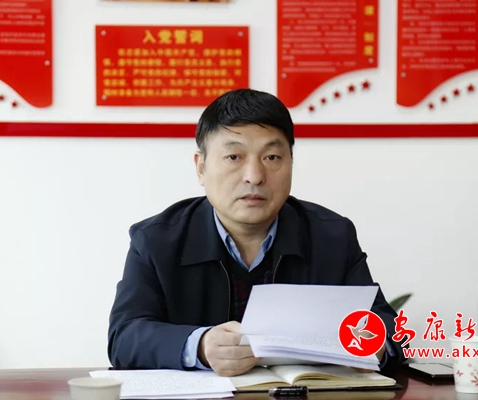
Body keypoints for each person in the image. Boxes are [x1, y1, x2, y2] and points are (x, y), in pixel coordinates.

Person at [107, 88, 407, 377]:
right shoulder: (156, 240)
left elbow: (393, 334)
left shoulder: (332, 236)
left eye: (271, 157)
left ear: (291, 163)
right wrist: (200, 345)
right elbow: (124, 337)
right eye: (233, 157)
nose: (254, 176)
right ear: (201, 168)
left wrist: (374, 345)